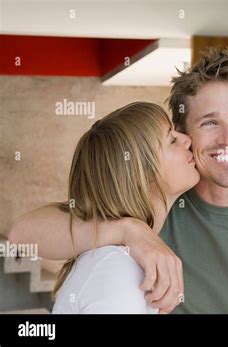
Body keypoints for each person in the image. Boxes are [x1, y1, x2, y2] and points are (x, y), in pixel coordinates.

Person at [9, 48, 228, 314]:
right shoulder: (152, 208)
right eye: (210, 123)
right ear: (185, 135)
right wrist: (130, 230)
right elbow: (23, 235)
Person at [49, 102, 199, 313]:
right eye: (172, 140)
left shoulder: (120, 264)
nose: (187, 140)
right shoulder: (117, 270)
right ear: (142, 176)